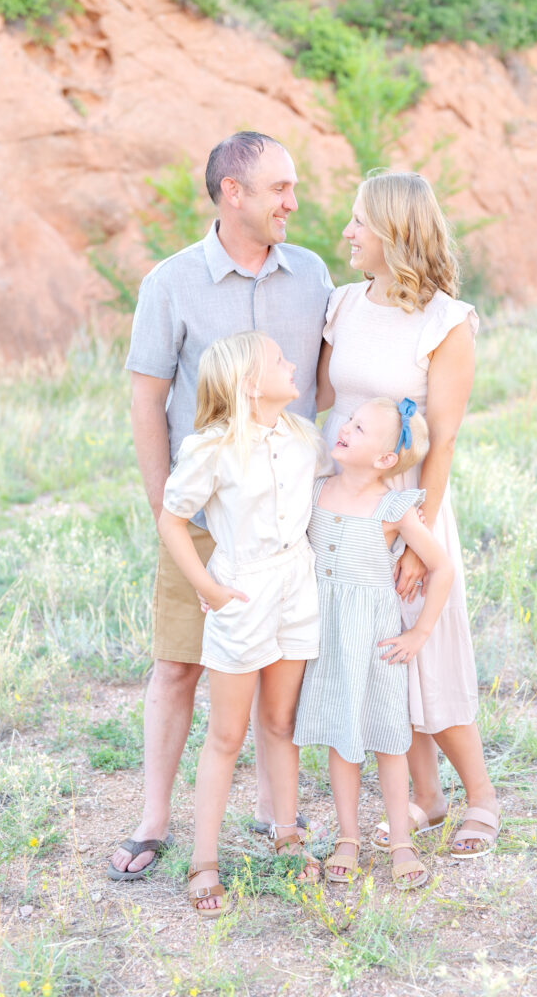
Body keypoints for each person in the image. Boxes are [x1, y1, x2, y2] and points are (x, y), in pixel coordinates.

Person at [108, 131, 333, 881]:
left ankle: (279, 820)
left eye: (293, 187)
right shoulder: (170, 282)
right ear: (231, 193)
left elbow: (322, 386)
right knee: (176, 666)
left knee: (279, 671)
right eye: (279, 189)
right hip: (200, 519)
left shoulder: (311, 274)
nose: (292, 203)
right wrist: (162, 504)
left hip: (286, 525)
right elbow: (146, 396)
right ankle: (153, 819)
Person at [316, 171, 501, 859]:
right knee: (378, 651)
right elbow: (320, 400)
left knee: (429, 646)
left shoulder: (444, 322)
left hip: (410, 510)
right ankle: (425, 798)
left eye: (359, 221)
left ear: (394, 231)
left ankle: (480, 796)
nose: (347, 233)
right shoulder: (340, 305)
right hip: (344, 508)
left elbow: (443, 439)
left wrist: (410, 538)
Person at [159, 330, 333, 916]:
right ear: (250, 384)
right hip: (242, 591)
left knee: (281, 722)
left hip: (296, 587)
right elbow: (172, 519)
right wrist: (208, 586)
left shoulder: (304, 437)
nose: (294, 364)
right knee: (228, 733)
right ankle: (203, 859)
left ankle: (286, 832)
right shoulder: (212, 446)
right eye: (281, 360)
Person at [294, 398, 454, 889]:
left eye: (360, 428)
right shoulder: (317, 491)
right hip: (327, 637)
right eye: (350, 420)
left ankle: (402, 840)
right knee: (343, 738)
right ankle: (348, 836)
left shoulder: (394, 508)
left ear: (386, 459)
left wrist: (419, 632)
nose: (344, 427)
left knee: (387, 737)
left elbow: (442, 567)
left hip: (378, 641)